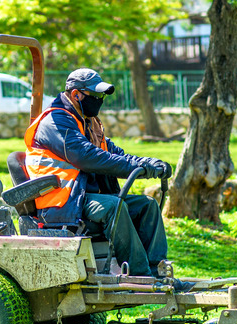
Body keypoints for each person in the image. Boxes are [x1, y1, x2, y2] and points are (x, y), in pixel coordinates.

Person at [24, 68, 174, 280]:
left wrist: (148, 164)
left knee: (147, 205)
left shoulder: (88, 122)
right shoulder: (55, 122)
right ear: (76, 94)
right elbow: (87, 157)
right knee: (114, 206)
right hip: (63, 202)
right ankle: (142, 276)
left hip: (83, 197)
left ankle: (157, 271)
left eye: (101, 95)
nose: (99, 100)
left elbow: (115, 154)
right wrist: (135, 168)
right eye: (95, 95)